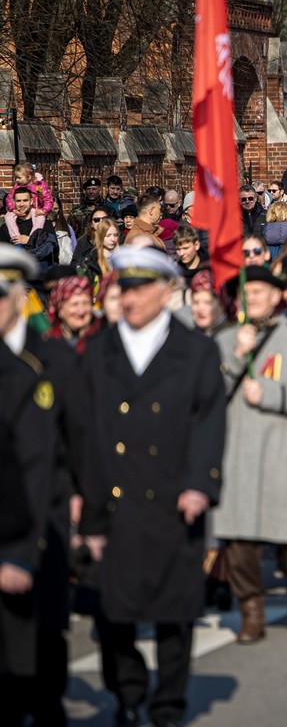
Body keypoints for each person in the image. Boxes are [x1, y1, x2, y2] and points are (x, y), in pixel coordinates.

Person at [77, 246, 226, 727]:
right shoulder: (98, 350)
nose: (130, 297)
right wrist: (80, 492)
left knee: (174, 614)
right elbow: (80, 426)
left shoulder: (196, 350)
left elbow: (209, 422)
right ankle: (127, 692)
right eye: (124, 288)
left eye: (140, 288)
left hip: (171, 500)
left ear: (166, 292)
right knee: (112, 612)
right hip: (112, 500)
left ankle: (168, 705)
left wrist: (200, 483)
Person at [210, 266, 287, 643]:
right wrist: (238, 357)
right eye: (248, 292)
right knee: (239, 543)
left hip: (283, 454)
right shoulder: (224, 341)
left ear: (276, 297)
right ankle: (251, 611)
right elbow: (207, 399)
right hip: (237, 455)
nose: (253, 298)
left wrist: (271, 395)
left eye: (261, 291)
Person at [0, 246, 69, 726]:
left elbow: (83, 442)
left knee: (40, 643)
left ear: (20, 296)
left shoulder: (53, 359)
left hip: (43, 522)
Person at [1, 186, 57, 266]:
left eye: (25, 200)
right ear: (14, 202)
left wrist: (30, 240)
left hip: (41, 270)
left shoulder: (45, 223)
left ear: (31, 201)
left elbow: (53, 248)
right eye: (18, 201)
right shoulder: (6, 228)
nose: (22, 204)